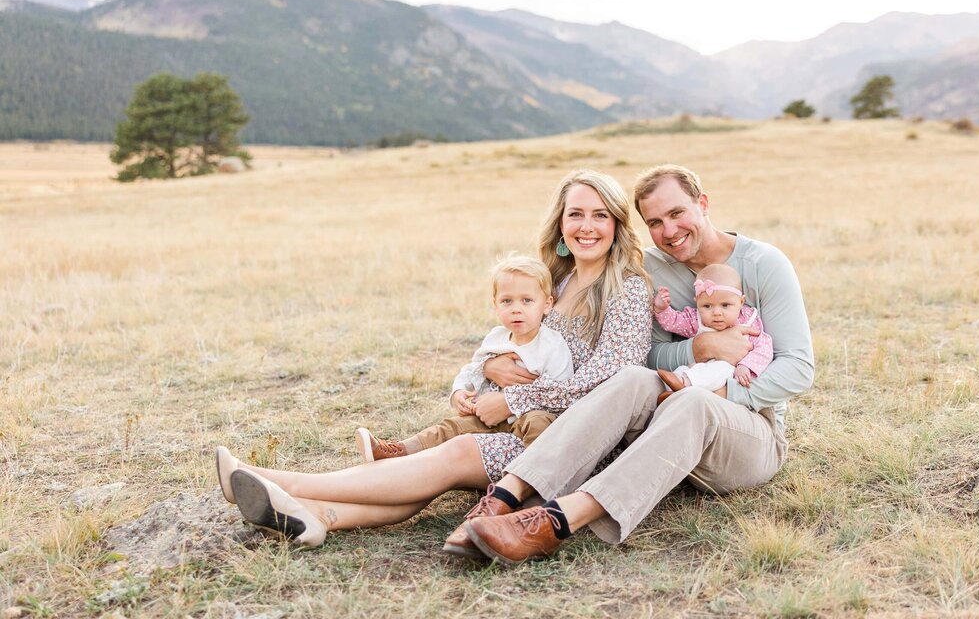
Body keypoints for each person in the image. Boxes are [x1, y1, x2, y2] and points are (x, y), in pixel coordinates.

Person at [213, 170, 651, 549]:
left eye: (600, 215)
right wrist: (488, 370)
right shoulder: (554, 279)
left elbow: (610, 378)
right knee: (435, 469)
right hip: (522, 419)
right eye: (576, 214)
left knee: (456, 451)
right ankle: (317, 516)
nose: (587, 226)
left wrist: (514, 400)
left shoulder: (626, 289)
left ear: (617, 224)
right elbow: (510, 340)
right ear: (560, 223)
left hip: (575, 439)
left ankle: (277, 482)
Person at [450, 164, 813, 565]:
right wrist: (701, 348)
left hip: (748, 431)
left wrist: (726, 391)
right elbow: (648, 355)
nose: (669, 231)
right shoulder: (655, 271)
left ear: (703, 204)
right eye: (655, 222)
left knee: (693, 402)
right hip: (671, 424)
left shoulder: (764, 263)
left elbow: (798, 368)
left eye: (677, 214)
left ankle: (555, 522)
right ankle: (507, 496)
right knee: (633, 377)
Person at [355, 255, 573, 463]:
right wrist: (459, 392)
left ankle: (530, 475)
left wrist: (514, 400)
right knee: (451, 427)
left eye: (527, 301)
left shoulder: (551, 345)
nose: (516, 309)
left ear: (546, 304)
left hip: (530, 416)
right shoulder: (496, 338)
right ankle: (399, 450)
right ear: (495, 304)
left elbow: (561, 389)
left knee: (540, 424)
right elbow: (473, 369)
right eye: (507, 301)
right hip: (490, 416)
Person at [653, 261, 772, 400]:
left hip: (728, 375)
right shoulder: (697, 319)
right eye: (707, 306)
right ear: (697, 302)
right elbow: (674, 322)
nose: (716, 312)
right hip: (699, 369)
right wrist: (662, 309)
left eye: (725, 305)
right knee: (682, 370)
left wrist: (746, 366)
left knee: (721, 369)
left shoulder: (748, 322)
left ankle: (683, 386)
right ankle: (673, 391)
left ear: (741, 302)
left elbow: (764, 347)